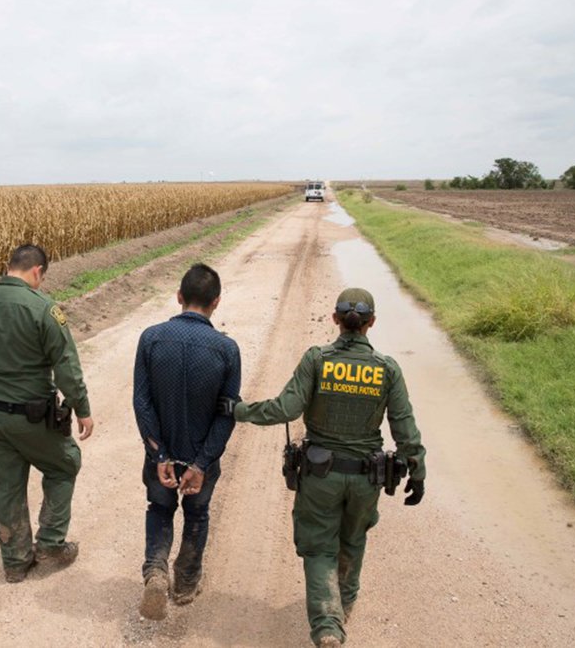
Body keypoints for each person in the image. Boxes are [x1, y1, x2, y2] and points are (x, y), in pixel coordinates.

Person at [228, 287, 426, 647]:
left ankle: (327, 628)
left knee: (320, 549)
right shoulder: (387, 369)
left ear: (335, 319)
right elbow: (405, 428)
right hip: (366, 480)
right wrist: (418, 470)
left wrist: (238, 410)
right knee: (353, 539)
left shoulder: (317, 360)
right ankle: (343, 606)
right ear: (371, 323)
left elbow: (285, 409)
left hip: (320, 478)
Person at [0, 244, 94, 583]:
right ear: (37, 271)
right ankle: (50, 543)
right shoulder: (43, 308)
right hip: (33, 416)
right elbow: (67, 367)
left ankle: (15, 562)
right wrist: (82, 409)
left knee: (6, 483)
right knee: (64, 464)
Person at [133, 263, 242, 620]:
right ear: (217, 302)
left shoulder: (151, 339)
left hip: (160, 455)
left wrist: (160, 454)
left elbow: (142, 402)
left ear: (179, 296)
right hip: (201, 458)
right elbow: (227, 413)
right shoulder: (226, 350)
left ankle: (155, 571)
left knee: (159, 508)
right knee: (197, 514)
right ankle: (185, 583)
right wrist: (201, 463)